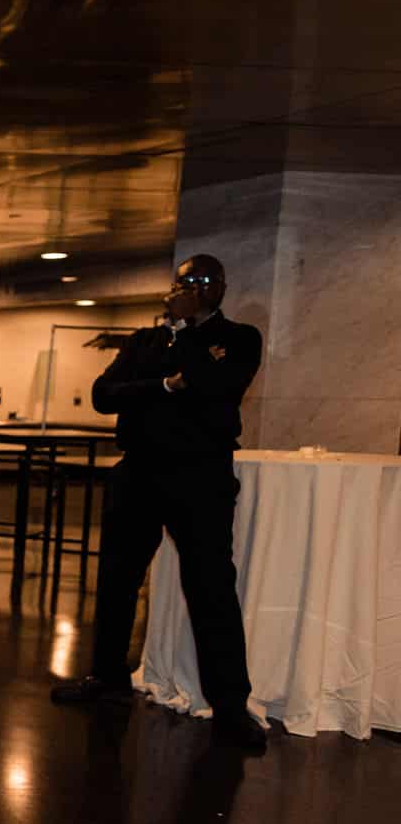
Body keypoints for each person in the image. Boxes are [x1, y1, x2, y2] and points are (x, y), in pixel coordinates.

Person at [51, 255, 268, 750]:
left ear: (219, 289)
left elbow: (219, 387)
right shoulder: (146, 341)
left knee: (211, 586)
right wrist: (167, 384)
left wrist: (185, 342)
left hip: (200, 475)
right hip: (139, 471)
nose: (187, 289)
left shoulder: (238, 339)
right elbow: (105, 395)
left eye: (200, 283)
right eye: (182, 281)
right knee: (117, 578)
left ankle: (230, 706)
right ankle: (107, 678)